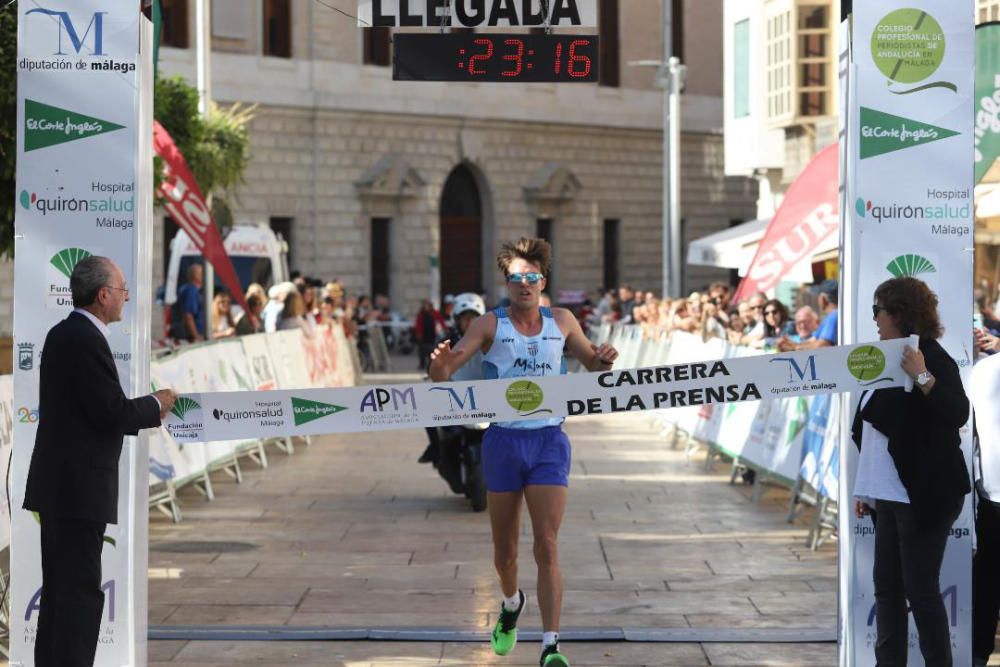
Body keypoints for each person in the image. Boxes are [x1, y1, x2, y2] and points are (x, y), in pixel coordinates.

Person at [429, 238, 618, 667]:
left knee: (547, 545)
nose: (525, 285)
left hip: (549, 440)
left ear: (543, 281)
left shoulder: (564, 321)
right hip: (502, 441)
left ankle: (551, 645)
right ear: (508, 284)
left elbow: (592, 364)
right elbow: (445, 373)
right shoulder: (487, 325)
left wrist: (603, 358)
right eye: (517, 278)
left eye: (532, 277)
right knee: (506, 554)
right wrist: (438, 365)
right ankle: (512, 604)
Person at [23, 256, 176, 667]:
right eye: (122, 288)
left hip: (64, 487)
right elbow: (110, 411)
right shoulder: (82, 338)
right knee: (77, 597)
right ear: (103, 294)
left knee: (61, 592)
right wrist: (154, 405)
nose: (126, 296)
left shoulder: (69, 334)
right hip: (76, 490)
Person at [851, 276, 970, 667]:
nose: (875, 320)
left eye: (878, 311)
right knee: (887, 589)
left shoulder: (931, 357)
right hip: (888, 494)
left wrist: (921, 375)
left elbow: (956, 412)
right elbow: (871, 428)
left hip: (924, 494)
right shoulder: (883, 357)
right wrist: (866, 490)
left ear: (900, 314)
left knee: (920, 591)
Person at [971, 350, 1000, 667]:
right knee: (988, 581)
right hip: (992, 493)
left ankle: (978, 654)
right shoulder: (984, 370)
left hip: (991, 492)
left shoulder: (982, 370)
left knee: (988, 582)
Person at [778, 280, 837, 351]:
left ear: (822, 298)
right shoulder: (830, 317)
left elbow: (823, 344)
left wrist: (795, 347)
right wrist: (793, 344)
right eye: (799, 322)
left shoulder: (833, 316)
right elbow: (813, 341)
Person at [171, 263, 205, 342]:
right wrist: (196, 335)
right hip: (191, 338)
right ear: (196, 276)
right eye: (201, 273)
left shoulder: (188, 289)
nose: (204, 276)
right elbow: (188, 315)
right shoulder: (191, 291)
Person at [414, 299, 447, 370]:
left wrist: (445, 328)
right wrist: (418, 334)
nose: (425, 306)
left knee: (431, 351)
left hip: (432, 335)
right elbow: (418, 324)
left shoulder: (435, 313)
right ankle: (422, 364)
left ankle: (430, 365)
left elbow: (441, 321)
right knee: (422, 351)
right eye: (424, 305)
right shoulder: (421, 314)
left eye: (426, 304)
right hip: (423, 336)